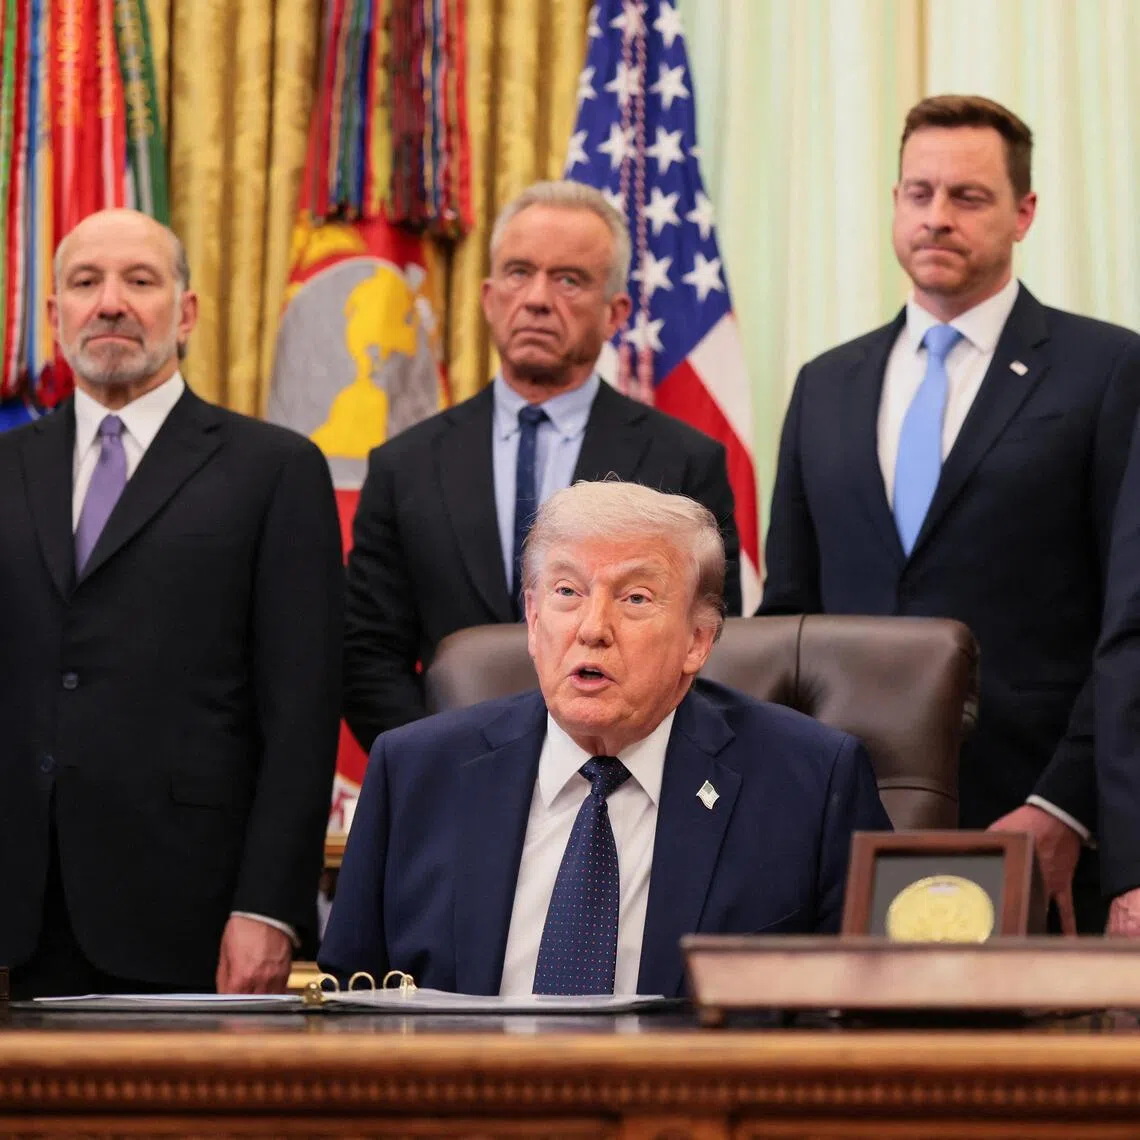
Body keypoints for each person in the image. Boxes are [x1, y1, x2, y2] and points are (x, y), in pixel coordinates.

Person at [760, 94, 1140, 933]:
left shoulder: (1109, 370)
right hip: (845, 831)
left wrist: (1066, 804)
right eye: (919, 192)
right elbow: (788, 617)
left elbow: (1130, 623)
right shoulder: (825, 385)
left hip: (1037, 825)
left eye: (968, 196)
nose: (937, 217)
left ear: (1024, 213)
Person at [320, 481, 888, 996]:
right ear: (534, 619)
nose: (592, 628)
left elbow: (874, 1009)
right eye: (568, 591)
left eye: (635, 598)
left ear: (698, 639)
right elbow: (349, 1005)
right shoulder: (414, 771)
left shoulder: (811, 783)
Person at [0, 209, 344, 998]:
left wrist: (269, 905)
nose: (110, 303)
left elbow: (302, 710)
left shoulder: (274, 470)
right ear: (54, 315)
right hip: (16, 912)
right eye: (85, 283)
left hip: (191, 911)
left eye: (140, 281)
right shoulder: (6, 466)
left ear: (185, 313)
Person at [342, 180, 742, 755]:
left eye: (568, 280)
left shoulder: (683, 462)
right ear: (488, 298)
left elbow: (708, 642)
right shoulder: (405, 465)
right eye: (518, 272)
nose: (535, 298)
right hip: (452, 775)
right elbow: (367, 656)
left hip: (623, 772)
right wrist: (444, 763)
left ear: (615, 313)